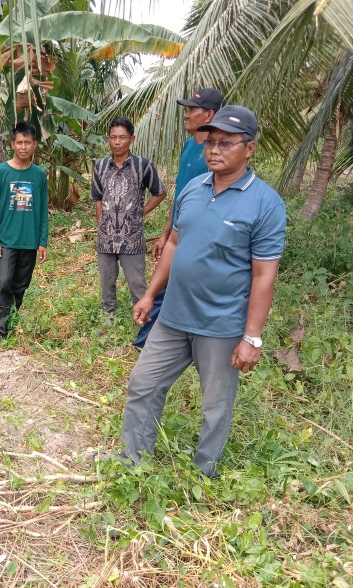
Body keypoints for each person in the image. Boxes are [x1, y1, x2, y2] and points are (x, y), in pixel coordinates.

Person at [120, 105, 287, 478]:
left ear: (250, 149)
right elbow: (176, 244)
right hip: (174, 316)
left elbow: (264, 276)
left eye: (226, 143)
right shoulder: (193, 189)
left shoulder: (265, 203)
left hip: (221, 324)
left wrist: (252, 338)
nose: (214, 149)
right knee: (143, 385)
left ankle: (203, 473)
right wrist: (149, 295)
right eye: (210, 142)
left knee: (215, 405)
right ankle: (132, 462)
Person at [134, 88, 225, 348]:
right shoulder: (190, 146)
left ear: (209, 114)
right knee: (168, 285)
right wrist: (165, 235)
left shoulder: (214, 156)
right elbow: (180, 196)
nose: (186, 115)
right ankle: (150, 340)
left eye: (191, 110)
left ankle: (150, 341)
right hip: (178, 232)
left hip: (198, 236)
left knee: (171, 286)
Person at [92, 117, 166, 325]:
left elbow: (160, 193)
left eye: (122, 137)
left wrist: (140, 213)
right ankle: (108, 321)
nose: (117, 142)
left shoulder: (143, 166)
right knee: (107, 283)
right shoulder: (100, 167)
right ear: (108, 139)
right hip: (106, 238)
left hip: (131, 238)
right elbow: (98, 198)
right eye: (113, 137)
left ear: (131, 139)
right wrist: (101, 225)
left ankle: (145, 324)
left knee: (137, 283)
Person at [0, 121, 49, 339]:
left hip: (29, 241)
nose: (23, 147)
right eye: (19, 142)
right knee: (4, 283)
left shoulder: (39, 175)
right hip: (6, 241)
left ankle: (11, 323)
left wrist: (43, 241)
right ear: (12, 144)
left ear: (34, 145)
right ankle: (1, 332)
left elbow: (42, 210)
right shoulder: (0, 172)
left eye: (28, 142)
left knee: (21, 285)